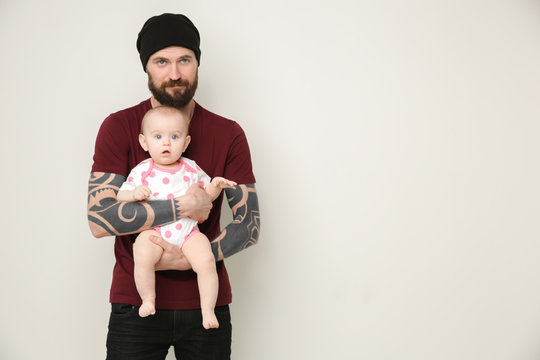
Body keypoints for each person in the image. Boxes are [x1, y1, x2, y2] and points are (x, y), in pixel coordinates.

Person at [87, 13, 260, 360]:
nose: (175, 73)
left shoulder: (228, 134)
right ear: (147, 68)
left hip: (206, 306)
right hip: (135, 306)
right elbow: (98, 219)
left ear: (198, 63)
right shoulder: (118, 127)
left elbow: (250, 225)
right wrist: (182, 207)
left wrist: (192, 259)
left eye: (185, 60)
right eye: (161, 61)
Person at [117, 106, 237, 327]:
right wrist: (133, 194)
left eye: (174, 137)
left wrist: (215, 186)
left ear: (186, 142)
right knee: (141, 252)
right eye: (158, 136)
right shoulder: (143, 170)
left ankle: (208, 310)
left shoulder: (190, 168)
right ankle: (148, 299)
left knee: (206, 259)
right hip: (155, 233)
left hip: (187, 232)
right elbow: (119, 194)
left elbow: (205, 196)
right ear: (144, 142)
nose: (166, 143)